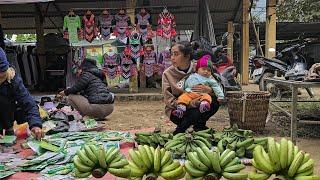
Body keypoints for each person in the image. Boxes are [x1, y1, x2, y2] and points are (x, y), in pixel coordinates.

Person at [162, 41, 221, 134]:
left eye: (176, 54)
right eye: (171, 54)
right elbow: (169, 101)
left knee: (214, 101)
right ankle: (181, 129)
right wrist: (191, 103)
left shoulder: (201, 68)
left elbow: (216, 85)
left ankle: (199, 126)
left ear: (187, 56)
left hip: (201, 103)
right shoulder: (167, 74)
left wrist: (210, 90)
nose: (172, 58)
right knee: (194, 112)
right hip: (179, 109)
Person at [0, 47, 43, 139]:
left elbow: (29, 103)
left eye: (2, 77)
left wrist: (35, 125)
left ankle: (8, 128)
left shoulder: (12, 78)